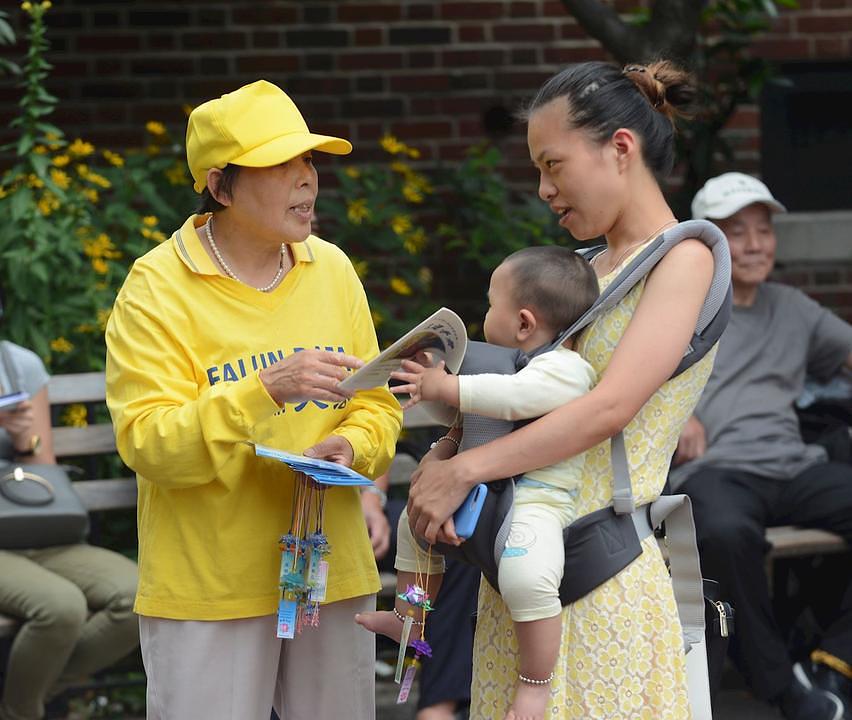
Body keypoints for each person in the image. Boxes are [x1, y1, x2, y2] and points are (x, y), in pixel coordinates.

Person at [400, 59, 717, 719]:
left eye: (552, 164)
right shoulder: (575, 271)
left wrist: (466, 470)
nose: (542, 189)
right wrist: (445, 453)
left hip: (602, 577)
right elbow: (515, 391)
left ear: (619, 149)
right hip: (516, 583)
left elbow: (609, 408)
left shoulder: (684, 259)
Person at [104, 80, 401, 720]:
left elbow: (375, 401)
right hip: (208, 586)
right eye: (280, 164)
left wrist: (353, 445)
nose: (306, 180)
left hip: (331, 572)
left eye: (310, 161)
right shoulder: (155, 287)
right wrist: (265, 389)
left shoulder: (333, 268)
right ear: (219, 186)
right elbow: (151, 445)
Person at [358, 246, 599, 720]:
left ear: (525, 323)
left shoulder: (566, 368)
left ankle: (534, 684)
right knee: (414, 525)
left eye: (491, 305)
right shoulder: (504, 364)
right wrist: (434, 390)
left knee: (529, 575)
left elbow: (513, 399)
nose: (484, 315)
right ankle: (410, 618)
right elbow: (475, 412)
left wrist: (447, 386)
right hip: (485, 489)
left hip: (536, 501)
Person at [670, 172, 852, 720]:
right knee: (722, 532)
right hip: (716, 471)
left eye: (763, 230)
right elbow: (621, 380)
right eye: (736, 232)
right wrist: (675, 413)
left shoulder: (794, 309)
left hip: (792, 467)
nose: (754, 244)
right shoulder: (681, 310)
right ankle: (783, 687)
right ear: (708, 244)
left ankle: (833, 660)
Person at [0, 334, 138, 720]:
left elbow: (42, 468)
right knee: (60, 607)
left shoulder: (17, 364)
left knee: (138, 597)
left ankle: (23, 699)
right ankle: (23, 707)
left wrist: (25, 441)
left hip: (39, 530)